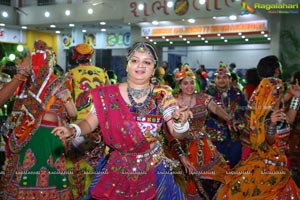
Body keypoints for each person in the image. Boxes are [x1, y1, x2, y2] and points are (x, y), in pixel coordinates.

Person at [52, 42, 193, 199]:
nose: (140, 65)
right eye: (135, 60)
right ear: (127, 66)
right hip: (116, 167)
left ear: (153, 69)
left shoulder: (162, 94)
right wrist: (73, 129)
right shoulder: (108, 94)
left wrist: (181, 122)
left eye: (147, 62)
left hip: (153, 166)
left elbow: (177, 133)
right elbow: (89, 123)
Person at [0, 40, 77, 199]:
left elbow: (17, 112)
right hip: (46, 137)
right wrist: (66, 100)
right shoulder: (55, 84)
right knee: (43, 171)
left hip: (37, 135)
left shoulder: (28, 85)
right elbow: (73, 113)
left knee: (30, 170)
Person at [215, 77, 300, 199]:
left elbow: (290, 120)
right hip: (268, 166)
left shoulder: (278, 111)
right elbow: (270, 141)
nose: (279, 96)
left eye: (280, 92)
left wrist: (296, 97)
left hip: (281, 162)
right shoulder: (266, 117)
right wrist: (272, 124)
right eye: (276, 93)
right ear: (267, 95)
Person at [173, 65, 230, 199]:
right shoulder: (173, 100)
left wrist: (228, 118)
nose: (189, 86)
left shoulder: (203, 97)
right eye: (185, 83)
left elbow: (215, 109)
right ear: (180, 85)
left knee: (211, 177)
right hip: (181, 144)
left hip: (203, 145)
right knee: (183, 180)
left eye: (192, 82)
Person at [67, 43, 110, 199]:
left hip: (79, 125)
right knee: (99, 166)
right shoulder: (102, 73)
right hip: (100, 125)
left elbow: (67, 102)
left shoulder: (71, 74)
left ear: (76, 57)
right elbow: (109, 98)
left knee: (76, 166)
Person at [205, 62, 248, 168]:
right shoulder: (209, 93)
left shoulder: (237, 92)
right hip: (215, 135)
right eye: (218, 77)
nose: (221, 80)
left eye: (224, 77)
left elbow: (245, 110)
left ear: (230, 79)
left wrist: (240, 122)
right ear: (215, 80)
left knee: (235, 164)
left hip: (234, 134)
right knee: (218, 165)